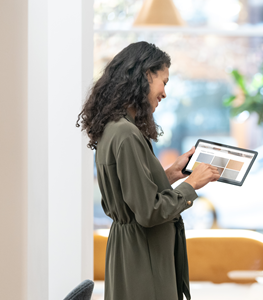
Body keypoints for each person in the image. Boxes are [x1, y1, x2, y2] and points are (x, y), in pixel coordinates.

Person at [76, 41, 220, 300]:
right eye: (163, 82)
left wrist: (171, 175)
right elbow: (149, 211)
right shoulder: (127, 133)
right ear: (144, 76)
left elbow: (133, 196)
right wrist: (192, 185)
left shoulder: (116, 128)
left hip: (132, 251)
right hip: (144, 256)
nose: (164, 92)